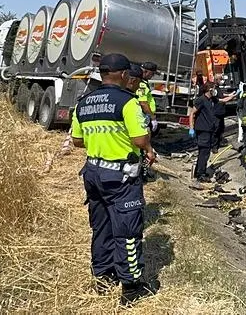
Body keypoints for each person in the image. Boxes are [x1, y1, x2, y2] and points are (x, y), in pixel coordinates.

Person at [71, 53, 158, 306]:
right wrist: (147, 148)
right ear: (123, 75)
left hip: (93, 173)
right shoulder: (127, 102)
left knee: (101, 227)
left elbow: (77, 141)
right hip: (121, 176)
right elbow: (140, 140)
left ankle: (102, 277)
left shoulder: (84, 102)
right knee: (127, 231)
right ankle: (131, 286)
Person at [189, 82, 218, 182]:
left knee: (205, 152)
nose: (215, 90)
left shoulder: (210, 100)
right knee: (204, 152)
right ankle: (200, 174)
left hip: (209, 129)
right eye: (214, 88)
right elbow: (192, 113)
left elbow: (222, 100)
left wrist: (234, 95)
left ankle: (200, 171)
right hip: (203, 130)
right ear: (209, 89)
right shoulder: (201, 100)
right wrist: (191, 128)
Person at [137, 62, 158, 136]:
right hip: (143, 117)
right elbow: (143, 102)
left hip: (145, 116)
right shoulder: (142, 85)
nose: (152, 76)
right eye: (152, 74)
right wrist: (153, 118)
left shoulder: (143, 83)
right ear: (146, 72)